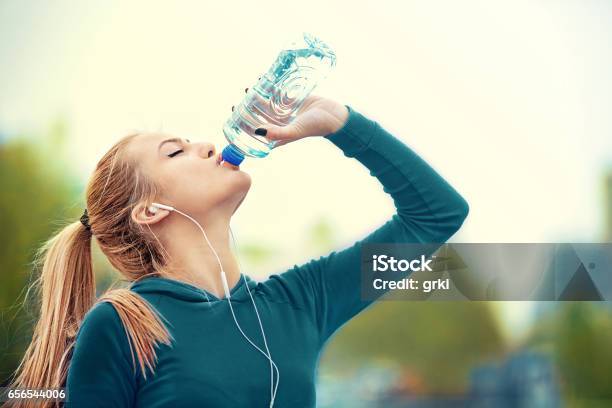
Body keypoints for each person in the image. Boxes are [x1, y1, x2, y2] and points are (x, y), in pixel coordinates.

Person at [5, 95, 469, 407]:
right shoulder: (124, 325)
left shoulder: (300, 302)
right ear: (149, 210)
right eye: (176, 152)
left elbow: (435, 216)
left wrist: (337, 123)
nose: (207, 145)